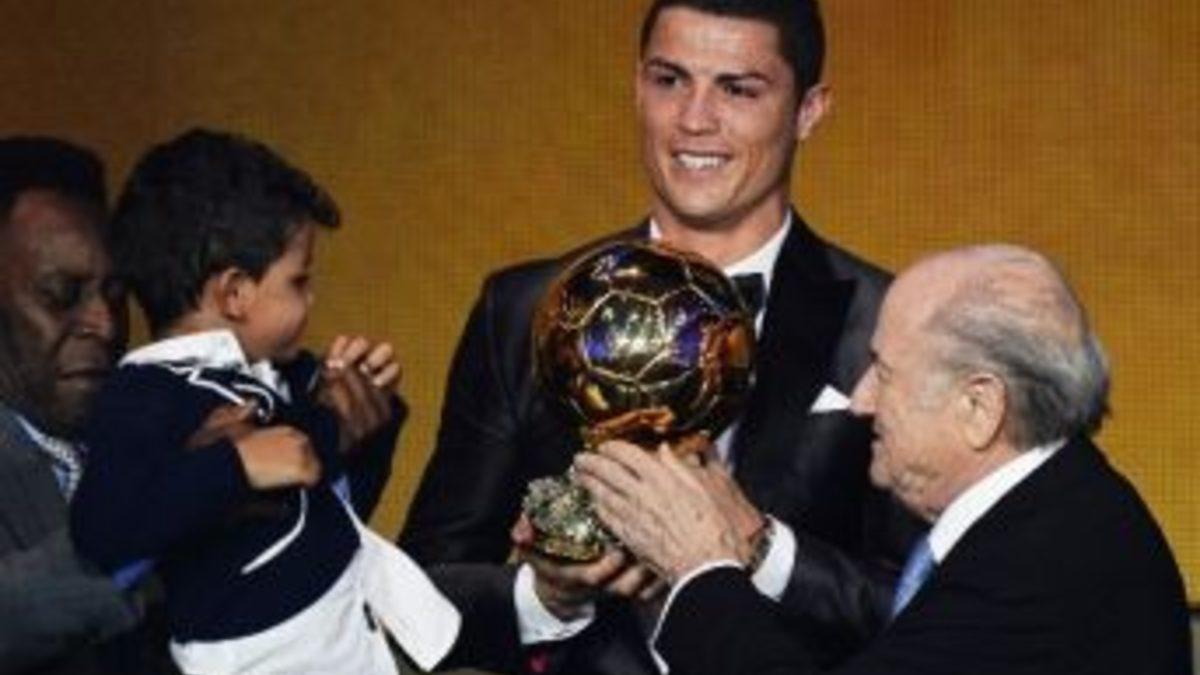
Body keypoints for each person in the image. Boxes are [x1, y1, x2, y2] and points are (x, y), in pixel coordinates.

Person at [400, 0, 922, 671]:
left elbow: (935, 613)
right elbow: (415, 593)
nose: (694, 119)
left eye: (738, 90)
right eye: (670, 80)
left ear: (808, 111)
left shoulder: (889, 322)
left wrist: (764, 550)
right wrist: (546, 597)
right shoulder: (523, 308)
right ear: (637, 87)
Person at [577, 244, 1194, 675]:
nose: (860, 400)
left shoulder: (1039, 568)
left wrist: (699, 569)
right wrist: (753, 545)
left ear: (979, 407)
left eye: (885, 372)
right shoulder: (1057, 509)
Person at [69, 129, 463, 675]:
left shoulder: (282, 376)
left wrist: (367, 409)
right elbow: (100, 529)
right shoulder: (142, 396)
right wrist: (234, 464)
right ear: (234, 293)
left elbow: (337, 508)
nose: (312, 299)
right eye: (299, 281)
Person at [0, 136, 151, 674]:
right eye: (62, 294)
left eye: (115, 294)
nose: (105, 325)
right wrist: (166, 523)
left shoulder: (146, 437)